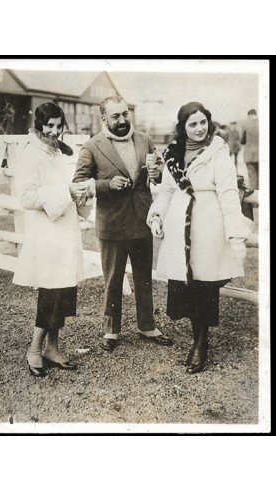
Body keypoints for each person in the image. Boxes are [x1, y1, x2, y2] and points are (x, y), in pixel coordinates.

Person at [147, 101, 254, 374]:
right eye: (192, 124)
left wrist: (235, 235)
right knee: (188, 285)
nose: (199, 128)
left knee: (205, 286)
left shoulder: (218, 151)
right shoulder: (173, 153)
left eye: (202, 122)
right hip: (179, 227)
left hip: (208, 226)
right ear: (183, 127)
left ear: (209, 123)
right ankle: (198, 338)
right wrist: (157, 214)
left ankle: (200, 343)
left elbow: (229, 193)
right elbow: (168, 192)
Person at [73, 95, 173, 351]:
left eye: (125, 114)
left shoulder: (144, 139)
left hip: (142, 220)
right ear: (104, 118)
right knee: (113, 280)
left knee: (144, 278)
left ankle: (147, 325)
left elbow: (159, 173)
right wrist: (105, 185)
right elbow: (78, 183)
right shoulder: (92, 146)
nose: (122, 120)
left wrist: (157, 173)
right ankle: (111, 331)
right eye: (115, 116)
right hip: (113, 224)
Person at [12, 102, 94, 377]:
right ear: (39, 124)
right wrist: (65, 193)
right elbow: (25, 197)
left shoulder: (61, 152)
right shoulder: (30, 154)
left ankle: (53, 348)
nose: (55, 132)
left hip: (65, 232)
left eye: (59, 126)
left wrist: (82, 195)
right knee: (50, 292)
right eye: (50, 126)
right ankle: (34, 350)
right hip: (46, 235)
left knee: (65, 291)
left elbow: (70, 189)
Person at [240, 109, 259, 189]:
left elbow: (243, 141)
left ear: (249, 115)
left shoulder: (245, 123)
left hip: (249, 154)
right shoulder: (263, 122)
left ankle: (255, 196)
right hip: (261, 154)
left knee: (252, 177)